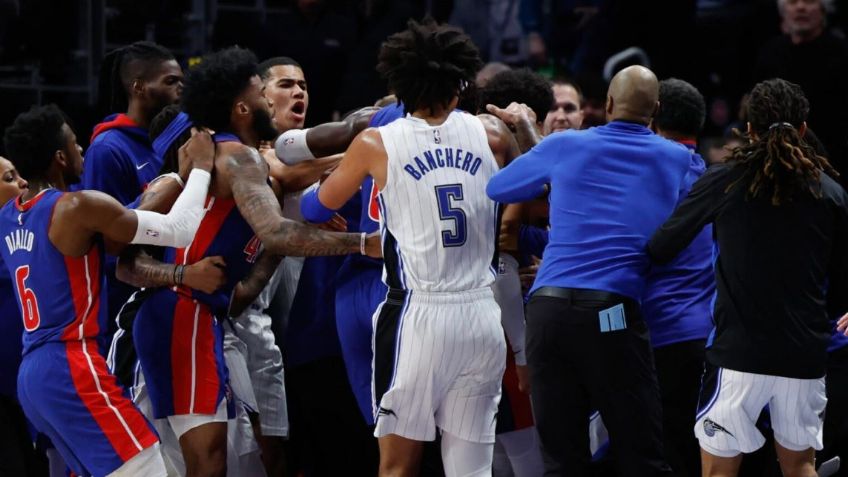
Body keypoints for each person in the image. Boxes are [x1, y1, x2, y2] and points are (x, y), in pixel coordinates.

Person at [131, 46, 380, 477]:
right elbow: (277, 232)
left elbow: (273, 236)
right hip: (182, 312)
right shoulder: (238, 157)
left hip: (199, 315)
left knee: (224, 458)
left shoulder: (244, 159)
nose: (271, 102)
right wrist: (361, 242)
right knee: (209, 462)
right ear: (243, 107)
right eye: (263, 96)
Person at [299, 18, 519, 476]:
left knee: (397, 467)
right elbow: (525, 190)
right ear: (460, 83)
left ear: (399, 86)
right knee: (472, 468)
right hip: (482, 314)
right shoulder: (491, 135)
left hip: (419, 316)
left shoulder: (376, 141)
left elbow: (316, 210)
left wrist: (318, 186)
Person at [487, 65, 689, 476]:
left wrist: (547, 171)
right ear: (657, 110)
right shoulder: (680, 160)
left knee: (562, 461)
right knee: (642, 456)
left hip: (546, 313)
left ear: (608, 105)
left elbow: (499, 188)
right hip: (612, 312)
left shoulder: (565, 146)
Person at [1, 103, 216, 477]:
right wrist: (199, 168)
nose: (81, 148)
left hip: (32, 373)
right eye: (73, 143)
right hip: (72, 362)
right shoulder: (76, 206)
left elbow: (119, 224)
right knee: (151, 470)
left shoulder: (9, 215)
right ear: (59, 157)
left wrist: (175, 180)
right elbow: (179, 230)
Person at [650, 78, 847, 477]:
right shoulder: (830, 192)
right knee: (801, 468)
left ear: (750, 129)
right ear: (804, 128)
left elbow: (661, 246)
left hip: (738, 355)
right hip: (805, 356)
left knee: (720, 472)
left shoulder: (726, 180)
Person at [84, 40, 185, 332]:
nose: (181, 90)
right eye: (171, 82)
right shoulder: (107, 149)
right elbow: (105, 242)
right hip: (126, 307)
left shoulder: (173, 142)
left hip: (173, 293)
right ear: (138, 87)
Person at [645, 78, 715, 477]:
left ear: (653, 115)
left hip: (661, 334)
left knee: (666, 453)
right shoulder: (707, 173)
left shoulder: (648, 175)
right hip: (706, 335)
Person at [754, 0, 848, 181]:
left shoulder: (842, 53)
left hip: (834, 161)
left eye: (809, 1)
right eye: (792, 2)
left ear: (824, 9)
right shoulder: (770, 52)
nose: (800, 7)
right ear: (782, 12)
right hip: (775, 159)